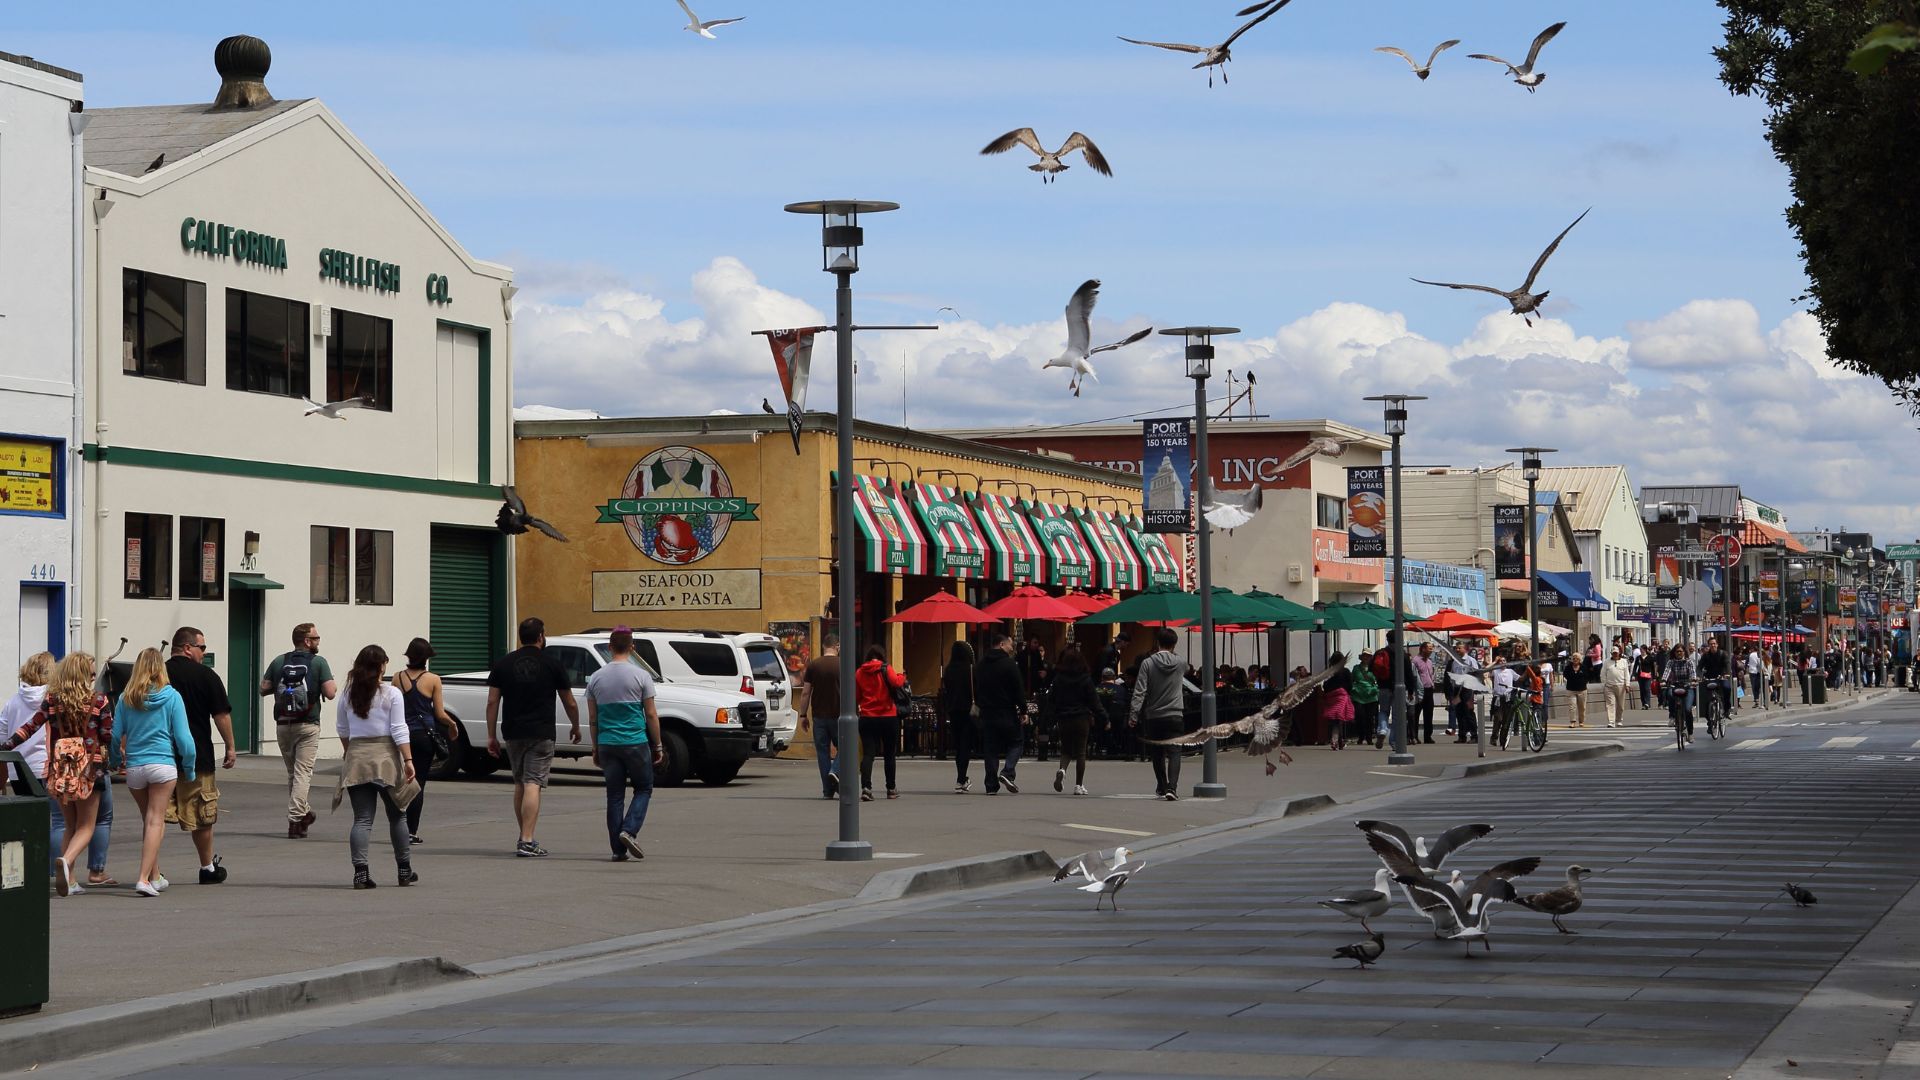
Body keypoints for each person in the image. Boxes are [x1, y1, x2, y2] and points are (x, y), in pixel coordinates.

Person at [4, 652, 115, 889]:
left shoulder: (53, 701)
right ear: (85, 675)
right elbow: (107, 736)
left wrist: (6, 745)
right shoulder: (99, 701)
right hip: (89, 770)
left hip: (60, 770)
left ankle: (70, 880)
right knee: (87, 826)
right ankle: (66, 860)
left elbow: (30, 727)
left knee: (68, 824)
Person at [485, 617, 579, 857]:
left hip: (513, 731)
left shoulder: (503, 664)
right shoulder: (552, 664)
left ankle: (524, 835)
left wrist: (491, 735)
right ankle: (527, 840)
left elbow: (492, 701)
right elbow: (569, 701)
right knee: (533, 783)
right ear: (540, 636)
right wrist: (575, 725)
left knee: (520, 783)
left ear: (520, 637)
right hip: (541, 732)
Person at [333, 644, 418, 889]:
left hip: (357, 758)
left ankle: (360, 873)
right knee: (398, 815)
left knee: (362, 819)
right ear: (382, 666)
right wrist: (409, 760)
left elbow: (342, 729)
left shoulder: (348, 694)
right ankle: (404, 870)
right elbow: (399, 729)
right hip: (386, 759)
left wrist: (350, 753)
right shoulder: (392, 694)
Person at [115, 648, 194, 898]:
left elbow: (116, 735)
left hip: (136, 767)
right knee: (155, 820)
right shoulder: (172, 697)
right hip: (162, 764)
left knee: (148, 820)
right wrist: (189, 769)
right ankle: (142, 878)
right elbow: (184, 739)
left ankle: (155, 875)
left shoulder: (125, 698)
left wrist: (116, 759)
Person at [164, 627, 234, 884]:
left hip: (161, 754)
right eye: (201, 648)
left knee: (157, 816)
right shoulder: (206, 676)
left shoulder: (157, 674)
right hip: (199, 756)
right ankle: (207, 867)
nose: (204, 653)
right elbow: (221, 715)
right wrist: (230, 746)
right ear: (187, 648)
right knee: (203, 814)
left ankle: (152, 870)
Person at [586, 627, 662, 861]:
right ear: (632, 647)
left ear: (609, 647)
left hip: (608, 743)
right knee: (643, 788)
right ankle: (629, 830)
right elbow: (650, 714)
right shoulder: (641, 676)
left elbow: (593, 718)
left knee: (615, 796)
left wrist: (596, 747)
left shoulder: (596, 678)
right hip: (635, 742)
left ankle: (618, 850)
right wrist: (658, 745)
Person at [259, 623, 337, 839]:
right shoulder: (319, 662)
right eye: (316, 637)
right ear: (306, 641)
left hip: (283, 724)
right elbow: (330, 693)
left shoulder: (279, 661)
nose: (319, 641)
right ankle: (295, 819)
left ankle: (303, 814)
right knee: (303, 773)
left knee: (294, 774)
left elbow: (263, 688)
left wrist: (284, 688)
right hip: (308, 725)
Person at [394, 638, 457, 845]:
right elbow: (439, 713)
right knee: (418, 782)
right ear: (426, 658)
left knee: (402, 782)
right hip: (423, 736)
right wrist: (451, 724)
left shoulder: (397, 678)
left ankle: (398, 827)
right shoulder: (433, 679)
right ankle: (411, 831)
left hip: (401, 736)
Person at [1130, 628, 1187, 800]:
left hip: (1154, 715)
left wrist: (1134, 714)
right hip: (1175, 713)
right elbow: (1188, 669)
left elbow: (1139, 691)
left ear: (1157, 643)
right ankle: (1172, 788)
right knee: (1175, 752)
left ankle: (1162, 786)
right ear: (1174, 644)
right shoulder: (1180, 662)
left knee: (1157, 753)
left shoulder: (1147, 663)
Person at [853, 644, 907, 801]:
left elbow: (856, 696)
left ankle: (866, 787)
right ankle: (891, 788)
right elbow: (897, 683)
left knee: (869, 753)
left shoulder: (859, 672)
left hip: (868, 717)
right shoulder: (886, 668)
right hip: (888, 716)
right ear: (882, 656)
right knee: (889, 754)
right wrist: (902, 675)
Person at [975, 633, 1026, 794]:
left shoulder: (981, 664)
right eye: (1010, 645)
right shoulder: (1009, 664)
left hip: (987, 712)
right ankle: (1008, 772)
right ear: (1002, 644)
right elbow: (1018, 689)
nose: (1012, 648)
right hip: (1006, 710)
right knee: (1016, 741)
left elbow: (977, 687)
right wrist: (1023, 710)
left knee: (990, 748)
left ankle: (991, 785)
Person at [797, 634, 842, 798]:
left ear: (824, 646)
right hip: (840, 715)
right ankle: (835, 770)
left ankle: (827, 791)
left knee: (822, 753)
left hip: (819, 717)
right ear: (837, 646)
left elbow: (805, 693)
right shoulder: (843, 664)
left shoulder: (814, 665)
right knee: (846, 747)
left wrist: (803, 715)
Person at [1050, 644, 1097, 795]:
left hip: (1064, 717)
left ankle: (1062, 769)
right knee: (1081, 752)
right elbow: (1094, 700)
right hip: (1081, 717)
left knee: (1066, 749)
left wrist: (1049, 718)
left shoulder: (1059, 679)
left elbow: (1052, 700)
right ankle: (1079, 785)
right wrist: (1104, 717)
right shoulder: (1085, 679)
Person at [939, 641, 977, 793]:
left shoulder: (948, 670)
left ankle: (961, 777)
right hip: (968, 710)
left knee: (958, 744)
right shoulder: (971, 670)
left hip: (954, 710)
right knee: (965, 745)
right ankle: (961, 779)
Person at [1320, 652, 1354, 750]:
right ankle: (1339, 740)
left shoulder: (1329, 672)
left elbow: (1325, 685)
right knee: (1340, 719)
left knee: (1334, 720)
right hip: (1342, 697)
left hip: (1331, 697)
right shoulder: (1346, 671)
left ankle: (1337, 740)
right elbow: (1350, 685)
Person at [1664, 643, 1696, 741]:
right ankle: (1673, 716)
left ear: (1684, 652)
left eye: (1681, 651)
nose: (1679, 653)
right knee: (1669, 693)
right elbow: (1667, 671)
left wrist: (1693, 680)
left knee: (1687, 709)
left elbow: (1692, 673)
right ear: (1674, 652)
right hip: (1675, 685)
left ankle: (1690, 733)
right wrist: (1664, 680)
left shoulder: (1689, 662)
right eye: (1677, 651)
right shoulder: (1671, 662)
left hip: (1687, 686)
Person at [1349, 651, 1380, 750]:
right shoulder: (1356, 668)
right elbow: (1352, 680)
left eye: (1368, 656)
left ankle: (1369, 737)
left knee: (1370, 718)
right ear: (1361, 657)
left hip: (1371, 695)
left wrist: (1375, 689)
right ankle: (1361, 736)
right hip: (1358, 695)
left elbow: (1378, 681)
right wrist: (1354, 689)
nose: (1366, 657)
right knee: (1360, 716)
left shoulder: (1374, 668)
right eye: (1364, 656)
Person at [1697, 638, 1731, 722]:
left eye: (1714, 644)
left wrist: (1726, 674)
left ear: (1717, 644)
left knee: (1727, 688)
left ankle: (1727, 708)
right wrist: (1699, 676)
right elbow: (1699, 667)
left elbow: (1727, 664)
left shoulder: (1723, 654)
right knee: (1706, 698)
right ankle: (1709, 720)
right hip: (1710, 678)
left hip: (1721, 677)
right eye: (1711, 644)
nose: (1713, 645)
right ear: (1709, 645)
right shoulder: (1705, 655)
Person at [1412, 642, 1437, 744]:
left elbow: (1430, 675)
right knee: (1416, 714)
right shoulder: (1415, 661)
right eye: (1430, 648)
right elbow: (1414, 676)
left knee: (1429, 714)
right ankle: (1414, 736)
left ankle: (1428, 736)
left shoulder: (1430, 662)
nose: (1431, 651)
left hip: (1429, 689)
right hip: (1419, 691)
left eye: (1432, 648)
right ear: (1423, 649)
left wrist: (1432, 683)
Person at [1562, 649, 1591, 728]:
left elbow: (1587, 676)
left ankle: (1581, 721)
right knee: (1572, 706)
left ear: (1580, 660)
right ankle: (1572, 721)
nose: (1575, 660)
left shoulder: (1583, 667)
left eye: (1577, 658)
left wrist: (1584, 682)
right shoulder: (1568, 667)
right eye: (1573, 658)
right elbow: (1565, 675)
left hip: (1582, 690)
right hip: (1571, 690)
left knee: (1582, 707)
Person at [1745, 645, 1767, 711]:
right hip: (1759, 672)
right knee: (1763, 687)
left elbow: (1746, 663)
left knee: (1754, 687)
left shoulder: (1750, 655)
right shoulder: (1759, 654)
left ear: (1752, 649)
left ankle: (1756, 700)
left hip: (1752, 672)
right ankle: (1765, 701)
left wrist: (1746, 668)